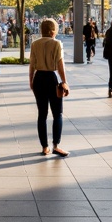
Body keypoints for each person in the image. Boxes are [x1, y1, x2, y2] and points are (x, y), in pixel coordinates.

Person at [28, 18, 69, 157]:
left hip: (38, 78)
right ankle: (56, 145)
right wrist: (64, 81)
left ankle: (45, 147)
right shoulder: (56, 43)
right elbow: (60, 65)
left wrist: (31, 81)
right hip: (52, 78)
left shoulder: (35, 44)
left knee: (42, 114)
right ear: (53, 31)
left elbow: (32, 64)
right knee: (57, 113)